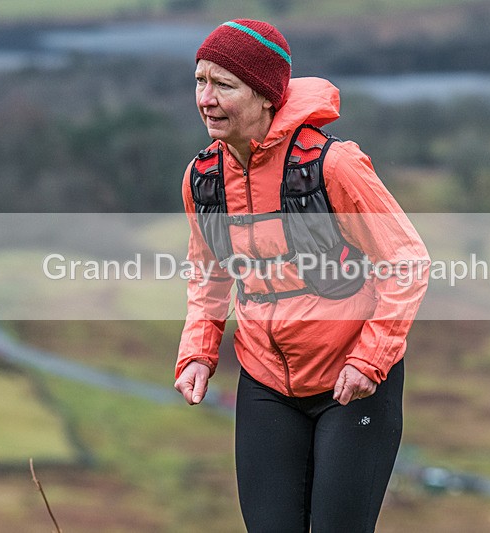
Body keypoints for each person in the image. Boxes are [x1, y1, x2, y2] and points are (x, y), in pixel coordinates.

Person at [173, 19, 429, 533]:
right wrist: (198, 352)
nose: (206, 98)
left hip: (352, 382)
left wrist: (369, 360)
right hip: (266, 381)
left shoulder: (334, 166)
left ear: (267, 95)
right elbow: (208, 275)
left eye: (224, 85)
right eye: (200, 81)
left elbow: (406, 262)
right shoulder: (202, 178)